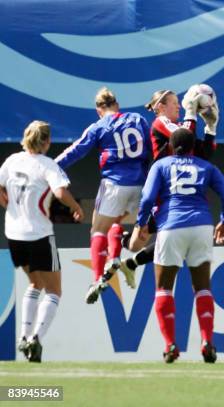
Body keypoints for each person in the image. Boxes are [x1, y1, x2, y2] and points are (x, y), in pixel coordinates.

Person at [132, 128, 224, 363]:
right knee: (202, 287)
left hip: (171, 225)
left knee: (164, 288)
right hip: (202, 226)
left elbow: (147, 198)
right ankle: (207, 340)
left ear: (169, 146)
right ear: (193, 147)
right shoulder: (206, 166)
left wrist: (141, 224)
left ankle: (170, 345)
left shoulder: (161, 165)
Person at [54, 87, 151, 303]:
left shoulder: (98, 126)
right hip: (141, 185)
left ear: (99, 109)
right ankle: (116, 257)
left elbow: (75, 151)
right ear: (117, 105)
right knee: (121, 223)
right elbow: (152, 149)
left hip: (114, 184)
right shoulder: (138, 119)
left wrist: (51, 167)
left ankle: (97, 278)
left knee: (98, 229)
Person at [0, 121, 84, 362]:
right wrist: (76, 206)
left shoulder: (12, 160)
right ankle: (35, 338)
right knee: (54, 290)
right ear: (46, 142)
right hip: (38, 234)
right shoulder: (48, 165)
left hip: (14, 234)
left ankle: (23, 337)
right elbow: (59, 192)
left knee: (35, 283)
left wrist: (8, 204)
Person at [118, 87, 219, 280]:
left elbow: (203, 155)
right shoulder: (161, 122)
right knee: (136, 244)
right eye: (175, 102)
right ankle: (117, 236)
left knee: (174, 234)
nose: (180, 106)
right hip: (162, 191)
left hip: (178, 193)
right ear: (161, 107)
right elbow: (183, 137)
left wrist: (211, 128)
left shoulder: (181, 126)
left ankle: (130, 263)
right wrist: (191, 114)